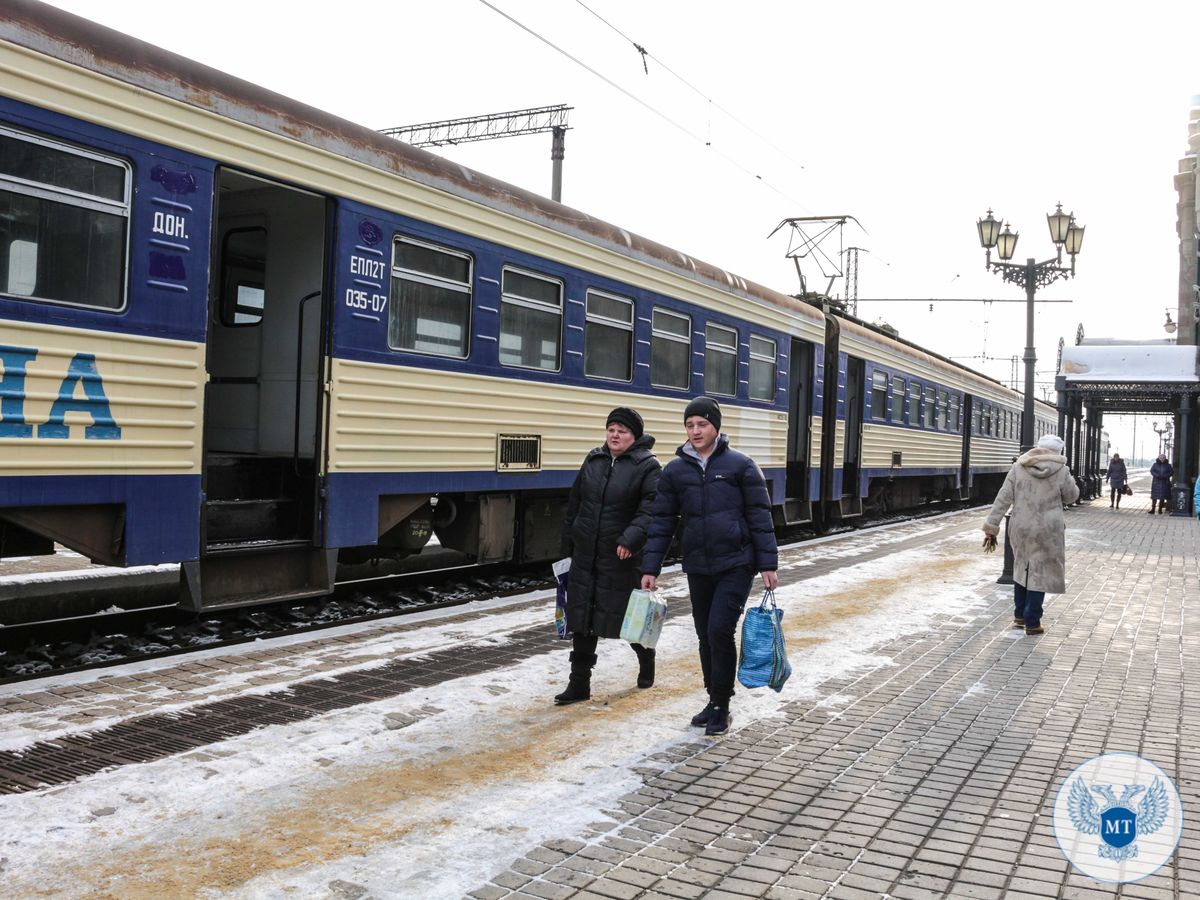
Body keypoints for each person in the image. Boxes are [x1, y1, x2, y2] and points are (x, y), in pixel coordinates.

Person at [640, 397, 779, 736]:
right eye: (690, 425)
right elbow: (662, 522)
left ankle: (723, 703)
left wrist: (767, 564)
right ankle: (713, 700)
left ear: (716, 426)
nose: (695, 430)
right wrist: (650, 568)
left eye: (702, 424)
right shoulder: (675, 470)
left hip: (736, 562)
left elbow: (760, 518)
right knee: (704, 634)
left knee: (719, 630)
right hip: (699, 565)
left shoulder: (740, 465)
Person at [555, 407, 661, 705]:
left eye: (622, 431)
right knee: (583, 618)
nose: (615, 435)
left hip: (621, 557)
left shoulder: (648, 466)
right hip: (586, 553)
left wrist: (631, 538)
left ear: (634, 437)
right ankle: (579, 685)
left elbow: (652, 509)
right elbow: (575, 504)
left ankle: (646, 655)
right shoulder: (594, 459)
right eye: (611, 429)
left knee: (626, 619)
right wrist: (568, 548)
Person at [982, 434, 1080, 636]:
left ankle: (1019, 615)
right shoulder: (1061, 470)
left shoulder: (1019, 466)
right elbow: (1071, 497)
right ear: (1058, 451)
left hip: (1021, 526)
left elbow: (1003, 498)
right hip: (1047, 529)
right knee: (1040, 572)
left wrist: (992, 526)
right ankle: (1033, 621)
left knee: (1022, 566)